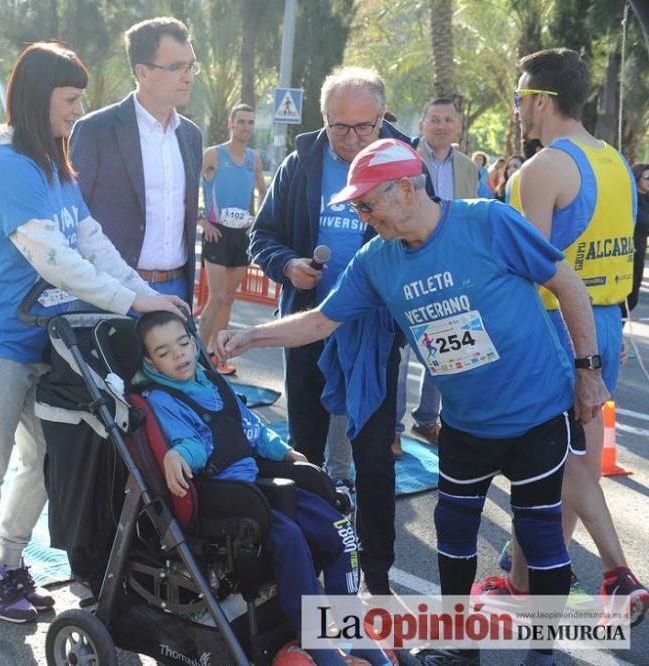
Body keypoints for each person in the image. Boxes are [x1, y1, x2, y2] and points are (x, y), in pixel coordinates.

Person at [220, 138, 610, 666]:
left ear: (405, 189)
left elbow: (567, 285)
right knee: (452, 537)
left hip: (536, 414)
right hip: (467, 426)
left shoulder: (487, 222)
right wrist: (252, 337)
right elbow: (320, 321)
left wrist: (588, 372)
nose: (361, 216)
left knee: (540, 537)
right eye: (355, 207)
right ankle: (460, 648)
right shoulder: (376, 260)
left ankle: (540, 655)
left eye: (366, 204)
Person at [0, 42, 183, 625]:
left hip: (50, 341)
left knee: (45, 462)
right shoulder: (7, 163)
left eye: (81, 98)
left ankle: (9, 560)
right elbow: (52, 258)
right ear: (38, 98)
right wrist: (135, 298)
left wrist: (146, 298)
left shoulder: (55, 161)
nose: (78, 109)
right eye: (70, 98)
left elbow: (92, 242)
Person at [485, 47, 649, 624]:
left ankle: (617, 574)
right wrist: (613, 331)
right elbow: (623, 253)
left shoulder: (544, 168)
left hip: (557, 328)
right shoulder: (616, 163)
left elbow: (532, 268)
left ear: (542, 100)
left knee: (567, 464)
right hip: (603, 319)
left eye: (520, 99)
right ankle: (521, 576)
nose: (518, 111)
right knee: (561, 460)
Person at [249, 66, 420, 594]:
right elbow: (263, 236)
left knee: (373, 456)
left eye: (362, 128)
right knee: (303, 451)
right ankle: (310, 568)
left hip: (372, 334)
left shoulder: (405, 163)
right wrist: (289, 265)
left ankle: (377, 576)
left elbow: (428, 235)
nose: (349, 140)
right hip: (307, 325)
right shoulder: (301, 164)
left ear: (382, 119)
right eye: (337, 128)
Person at [137, 311, 390, 666]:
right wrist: (177, 455)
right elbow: (189, 442)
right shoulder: (161, 399)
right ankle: (315, 639)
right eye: (164, 352)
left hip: (257, 484)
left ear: (194, 341)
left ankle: (353, 631)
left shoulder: (214, 382)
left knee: (339, 530)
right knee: (290, 539)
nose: (179, 355)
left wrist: (285, 452)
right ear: (151, 361)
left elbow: (253, 429)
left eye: (183, 343)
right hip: (224, 498)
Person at [70, 17, 204, 304]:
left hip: (177, 288)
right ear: (142, 72)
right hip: (112, 291)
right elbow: (72, 218)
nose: (188, 76)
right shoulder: (96, 131)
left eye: (191, 66)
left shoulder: (191, 137)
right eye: (176, 67)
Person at [402, 98, 481, 450]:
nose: (441, 125)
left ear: (458, 126)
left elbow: (473, 215)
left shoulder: (468, 167)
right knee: (399, 352)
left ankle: (427, 420)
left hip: (452, 267)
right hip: (408, 262)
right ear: (422, 124)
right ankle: (392, 430)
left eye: (448, 119)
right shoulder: (404, 158)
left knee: (448, 347)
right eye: (434, 119)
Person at [197, 103, 267, 375]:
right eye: (241, 122)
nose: (246, 127)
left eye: (250, 122)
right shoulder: (213, 154)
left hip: (241, 235)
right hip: (217, 232)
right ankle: (198, 355)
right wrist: (202, 220)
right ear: (230, 124)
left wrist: (256, 221)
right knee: (215, 297)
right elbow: (190, 187)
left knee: (228, 298)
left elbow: (263, 191)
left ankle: (217, 356)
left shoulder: (254, 158)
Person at [628, 162, 649, 313]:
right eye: (647, 177)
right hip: (625, 254)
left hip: (639, 256)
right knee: (623, 302)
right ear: (637, 178)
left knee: (633, 298)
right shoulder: (628, 198)